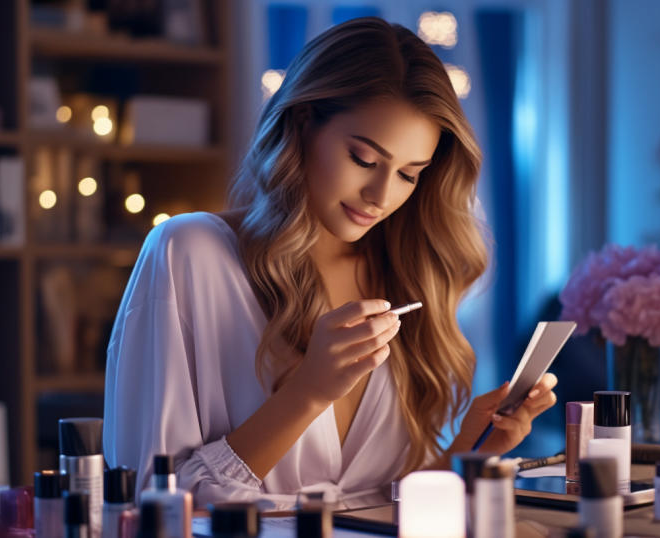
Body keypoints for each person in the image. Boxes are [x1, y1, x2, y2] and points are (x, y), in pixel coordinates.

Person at [103, 17, 558, 509]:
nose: (382, 195)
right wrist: (308, 393)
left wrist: (473, 448)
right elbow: (148, 502)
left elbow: (383, 503)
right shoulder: (190, 253)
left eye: (409, 174)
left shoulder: (405, 273)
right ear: (302, 123)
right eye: (364, 159)